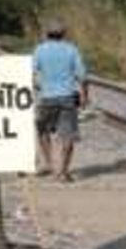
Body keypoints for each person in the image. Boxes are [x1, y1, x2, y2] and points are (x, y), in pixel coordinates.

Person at [32, 20, 89, 182]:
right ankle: (63, 171)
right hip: (67, 97)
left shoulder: (40, 49)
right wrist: (85, 95)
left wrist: (37, 85)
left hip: (46, 97)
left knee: (42, 130)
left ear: (46, 34)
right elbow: (83, 76)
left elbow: (31, 72)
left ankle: (50, 165)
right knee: (68, 135)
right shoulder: (71, 50)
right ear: (64, 34)